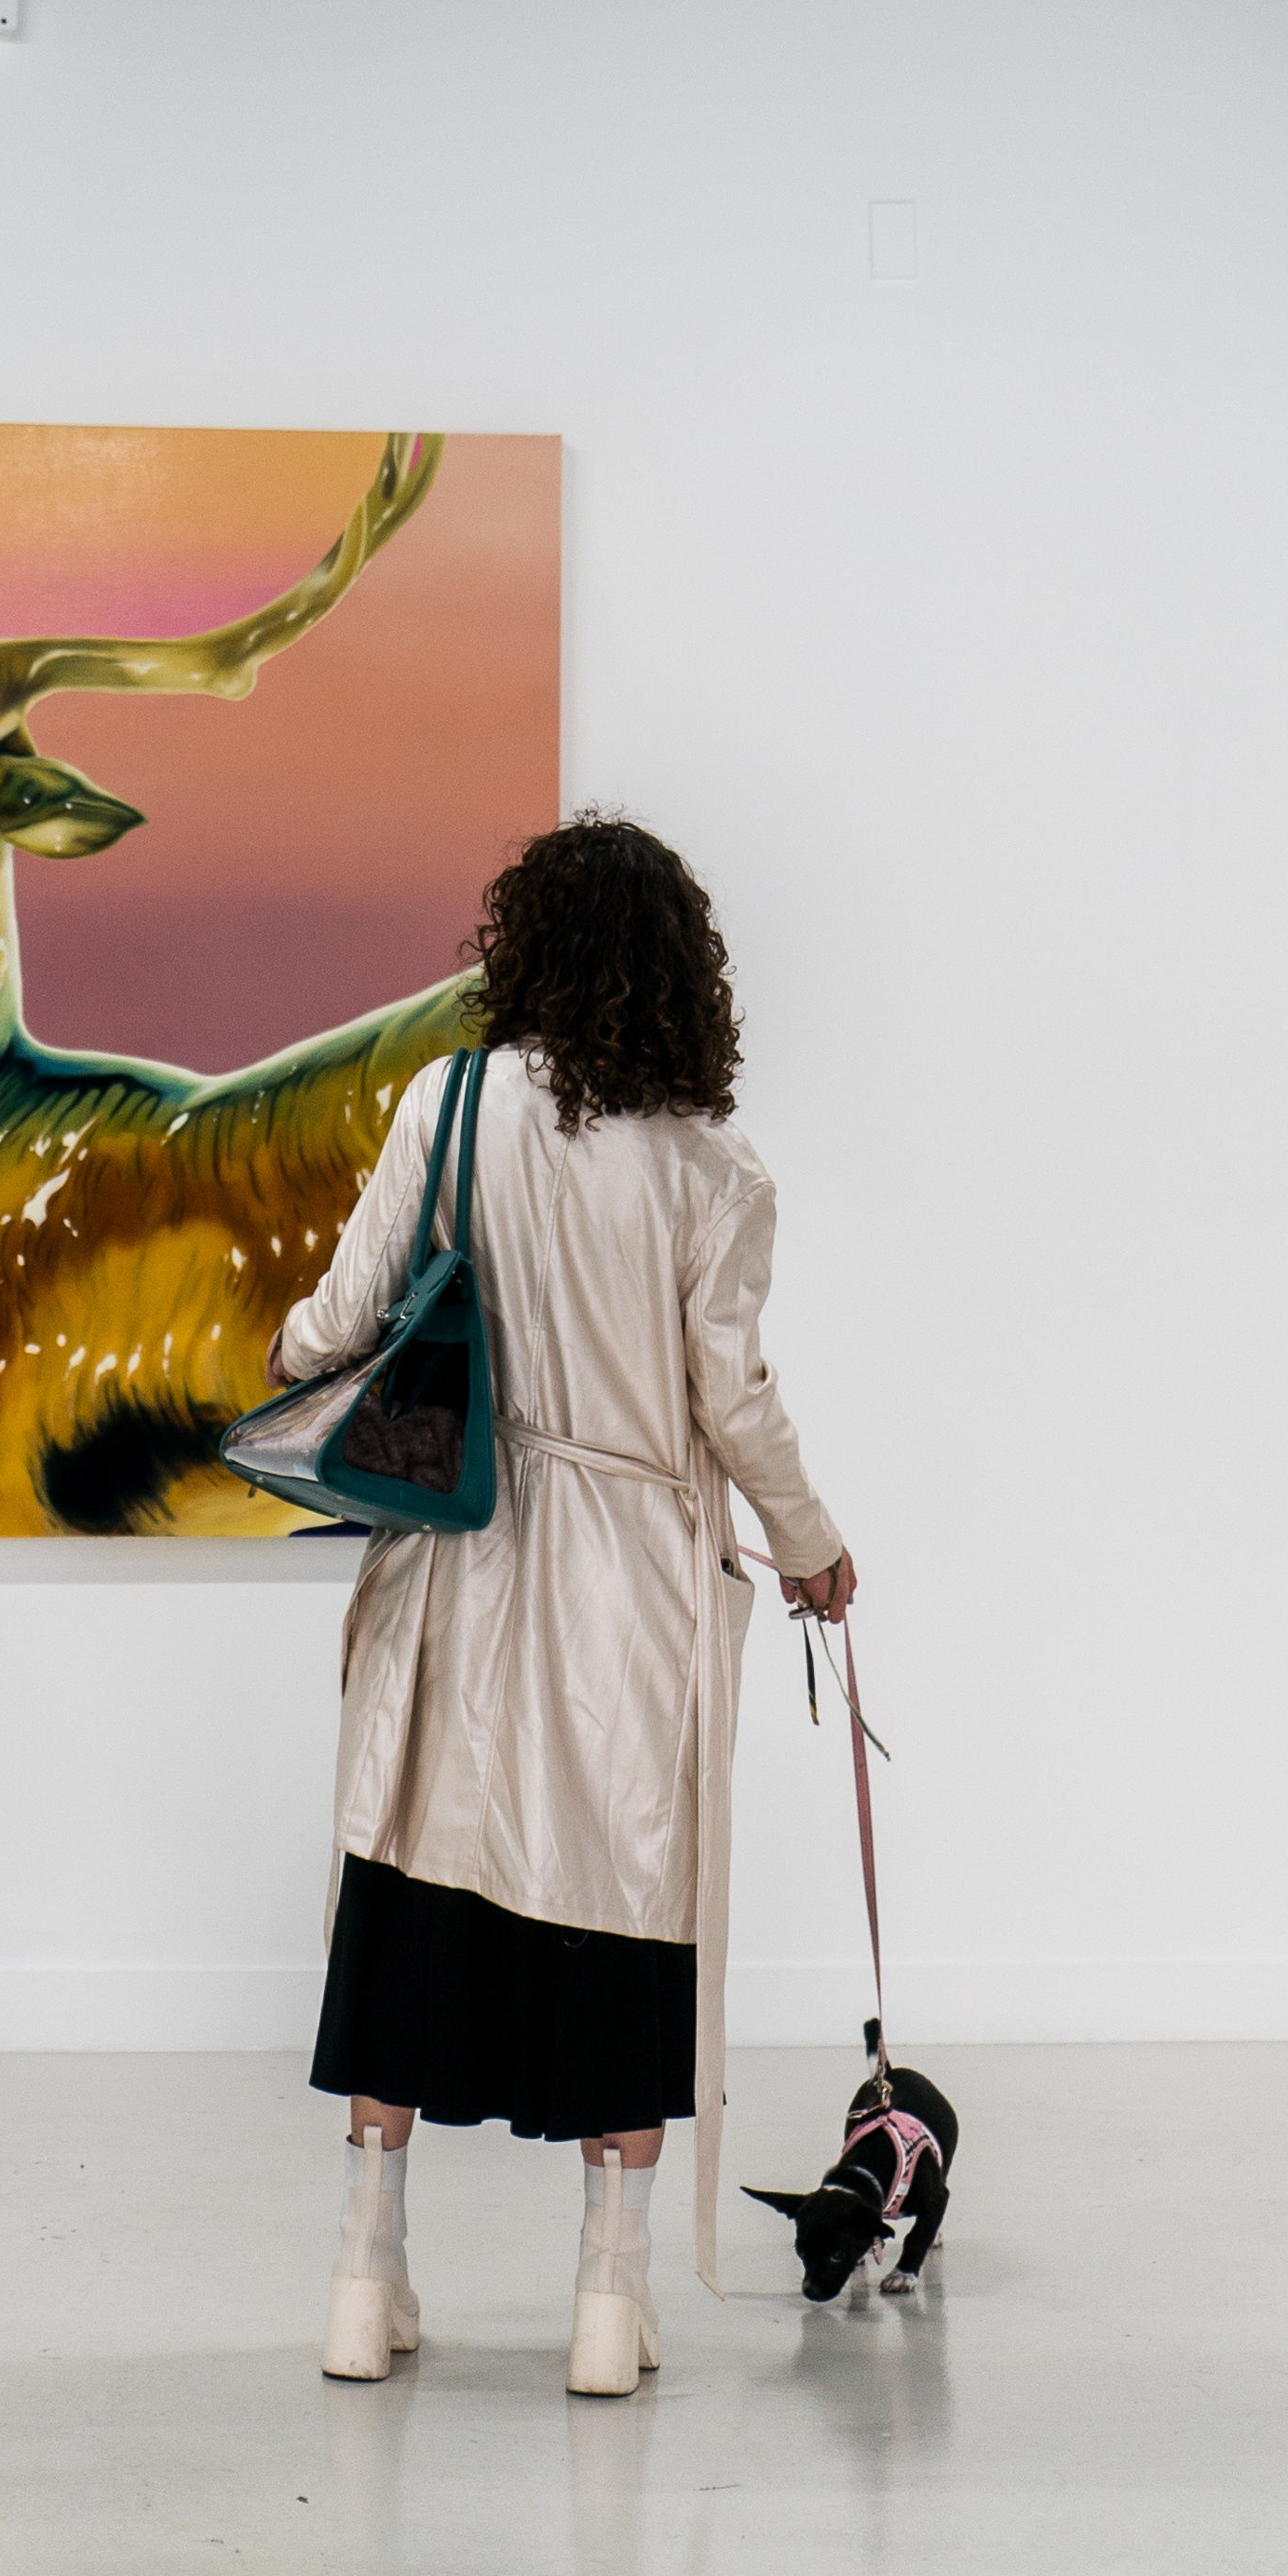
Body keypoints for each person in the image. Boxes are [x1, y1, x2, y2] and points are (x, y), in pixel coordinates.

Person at [268, 812, 853, 2397]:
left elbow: (327, 1323)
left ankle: (362, 2277)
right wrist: (809, 1543)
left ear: (520, 946)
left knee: (410, 1893)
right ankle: (608, 2307)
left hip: (461, 1559)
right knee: (622, 1914)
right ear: (684, 979)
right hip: (627, 1585)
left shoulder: (448, 1103)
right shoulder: (715, 1171)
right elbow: (732, 1400)